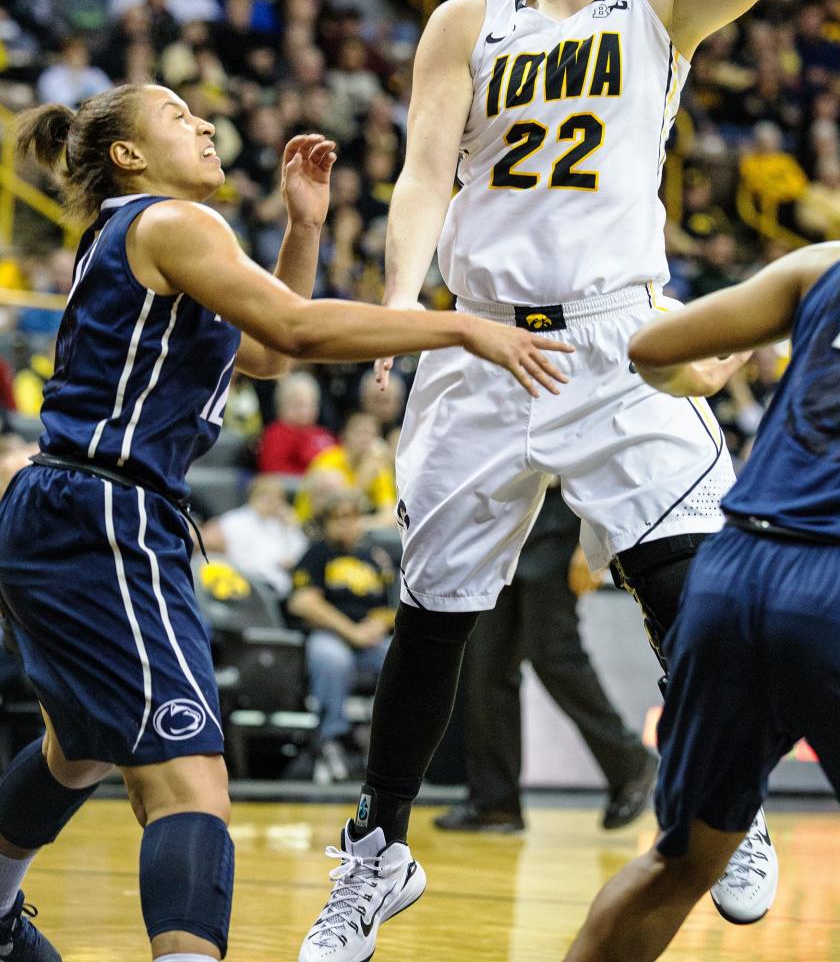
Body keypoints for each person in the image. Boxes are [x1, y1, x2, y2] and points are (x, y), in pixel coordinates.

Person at [301, 0, 840, 962]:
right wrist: (400, 305)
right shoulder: (467, 18)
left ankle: (725, 798)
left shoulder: (662, 13)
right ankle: (375, 854)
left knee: (690, 585)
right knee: (432, 617)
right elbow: (422, 169)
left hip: (620, 337)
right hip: (481, 336)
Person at [0, 84, 569, 962]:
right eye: (175, 114)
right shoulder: (171, 223)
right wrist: (458, 326)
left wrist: (303, 230)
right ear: (128, 155)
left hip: (63, 507)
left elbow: (261, 352)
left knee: (77, 748)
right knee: (190, 788)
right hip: (103, 512)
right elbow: (296, 331)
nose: (201, 122)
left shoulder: (137, 232)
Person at [564, 123, 840, 962]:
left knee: (682, 860)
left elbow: (654, 348)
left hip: (730, 568)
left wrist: (719, 367)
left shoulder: (830, 264)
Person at [434, 481, 652, 835]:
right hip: (503, 516)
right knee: (487, 666)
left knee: (554, 654)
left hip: (561, 514)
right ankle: (495, 802)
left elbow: (596, 450)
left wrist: (596, 536)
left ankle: (629, 764)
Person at [287, 491, 396, 782]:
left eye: (352, 518)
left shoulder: (375, 557)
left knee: (396, 658)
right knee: (332, 658)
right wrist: (351, 632)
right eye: (339, 519)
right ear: (326, 524)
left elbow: (390, 607)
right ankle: (331, 739)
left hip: (368, 638)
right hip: (330, 634)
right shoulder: (317, 553)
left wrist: (378, 625)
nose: (347, 525)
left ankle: (387, 739)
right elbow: (303, 602)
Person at [201, 474, 307, 599]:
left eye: (277, 497)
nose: (272, 501)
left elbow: (299, 552)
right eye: (265, 495)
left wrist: (292, 526)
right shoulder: (234, 520)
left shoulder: (281, 523)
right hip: (247, 580)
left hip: (279, 584)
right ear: (252, 497)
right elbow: (237, 556)